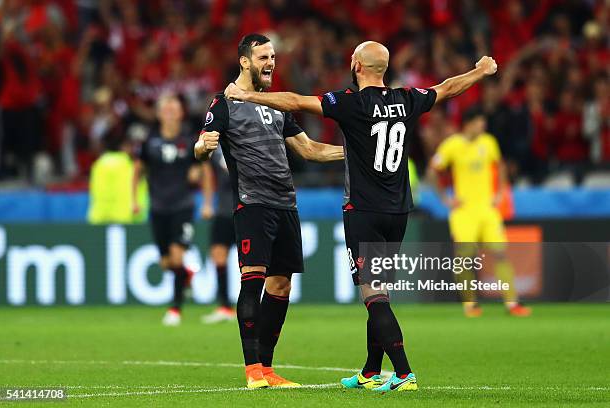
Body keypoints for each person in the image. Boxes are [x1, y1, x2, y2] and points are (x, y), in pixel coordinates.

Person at [224, 41, 497, 392]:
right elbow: (446, 89)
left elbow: (296, 102)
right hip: (399, 211)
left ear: (355, 64)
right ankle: (370, 371)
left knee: (373, 295)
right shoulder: (407, 98)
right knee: (381, 291)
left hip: (364, 212)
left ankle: (403, 373)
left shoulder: (349, 103)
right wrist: (479, 71)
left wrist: (248, 97)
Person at [195, 33, 344, 389]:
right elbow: (202, 146)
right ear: (245, 61)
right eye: (263, 57)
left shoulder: (277, 105)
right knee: (253, 280)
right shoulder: (224, 102)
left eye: (273, 57)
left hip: (286, 204)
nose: (270, 63)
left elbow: (309, 150)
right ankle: (252, 371)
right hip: (253, 204)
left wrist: (355, 153)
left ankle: (268, 368)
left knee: (281, 284)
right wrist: (203, 145)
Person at [428, 107, 532, 318]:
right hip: (464, 211)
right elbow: (432, 171)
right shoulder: (452, 145)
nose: (483, 127)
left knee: (501, 253)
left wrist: (500, 192)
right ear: (468, 123)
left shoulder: (489, 142)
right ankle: (470, 305)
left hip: (487, 209)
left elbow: (500, 166)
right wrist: (445, 199)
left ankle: (512, 304)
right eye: (479, 123)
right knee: (464, 258)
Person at [133, 93, 198, 326]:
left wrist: (200, 181)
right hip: (158, 207)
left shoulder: (190, 141)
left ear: (181, 113)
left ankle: (175, 309)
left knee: (177, 255)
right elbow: (138, 170)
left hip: (183, 205)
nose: (170, 112)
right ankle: (187, 274)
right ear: (159, 114)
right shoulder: (149, 142)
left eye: (174, 108)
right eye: (165, 108)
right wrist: (135, 199)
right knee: (166, 263)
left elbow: (204, 171)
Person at [200, 146, 237, 323]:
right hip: (223, 209)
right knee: (218, 254)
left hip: (248, 207)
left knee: (256, 261)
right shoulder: (214, 145)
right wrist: (207, 203)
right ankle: (225, 306)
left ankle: (258, 305)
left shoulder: (248, 138)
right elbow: (206, 172)